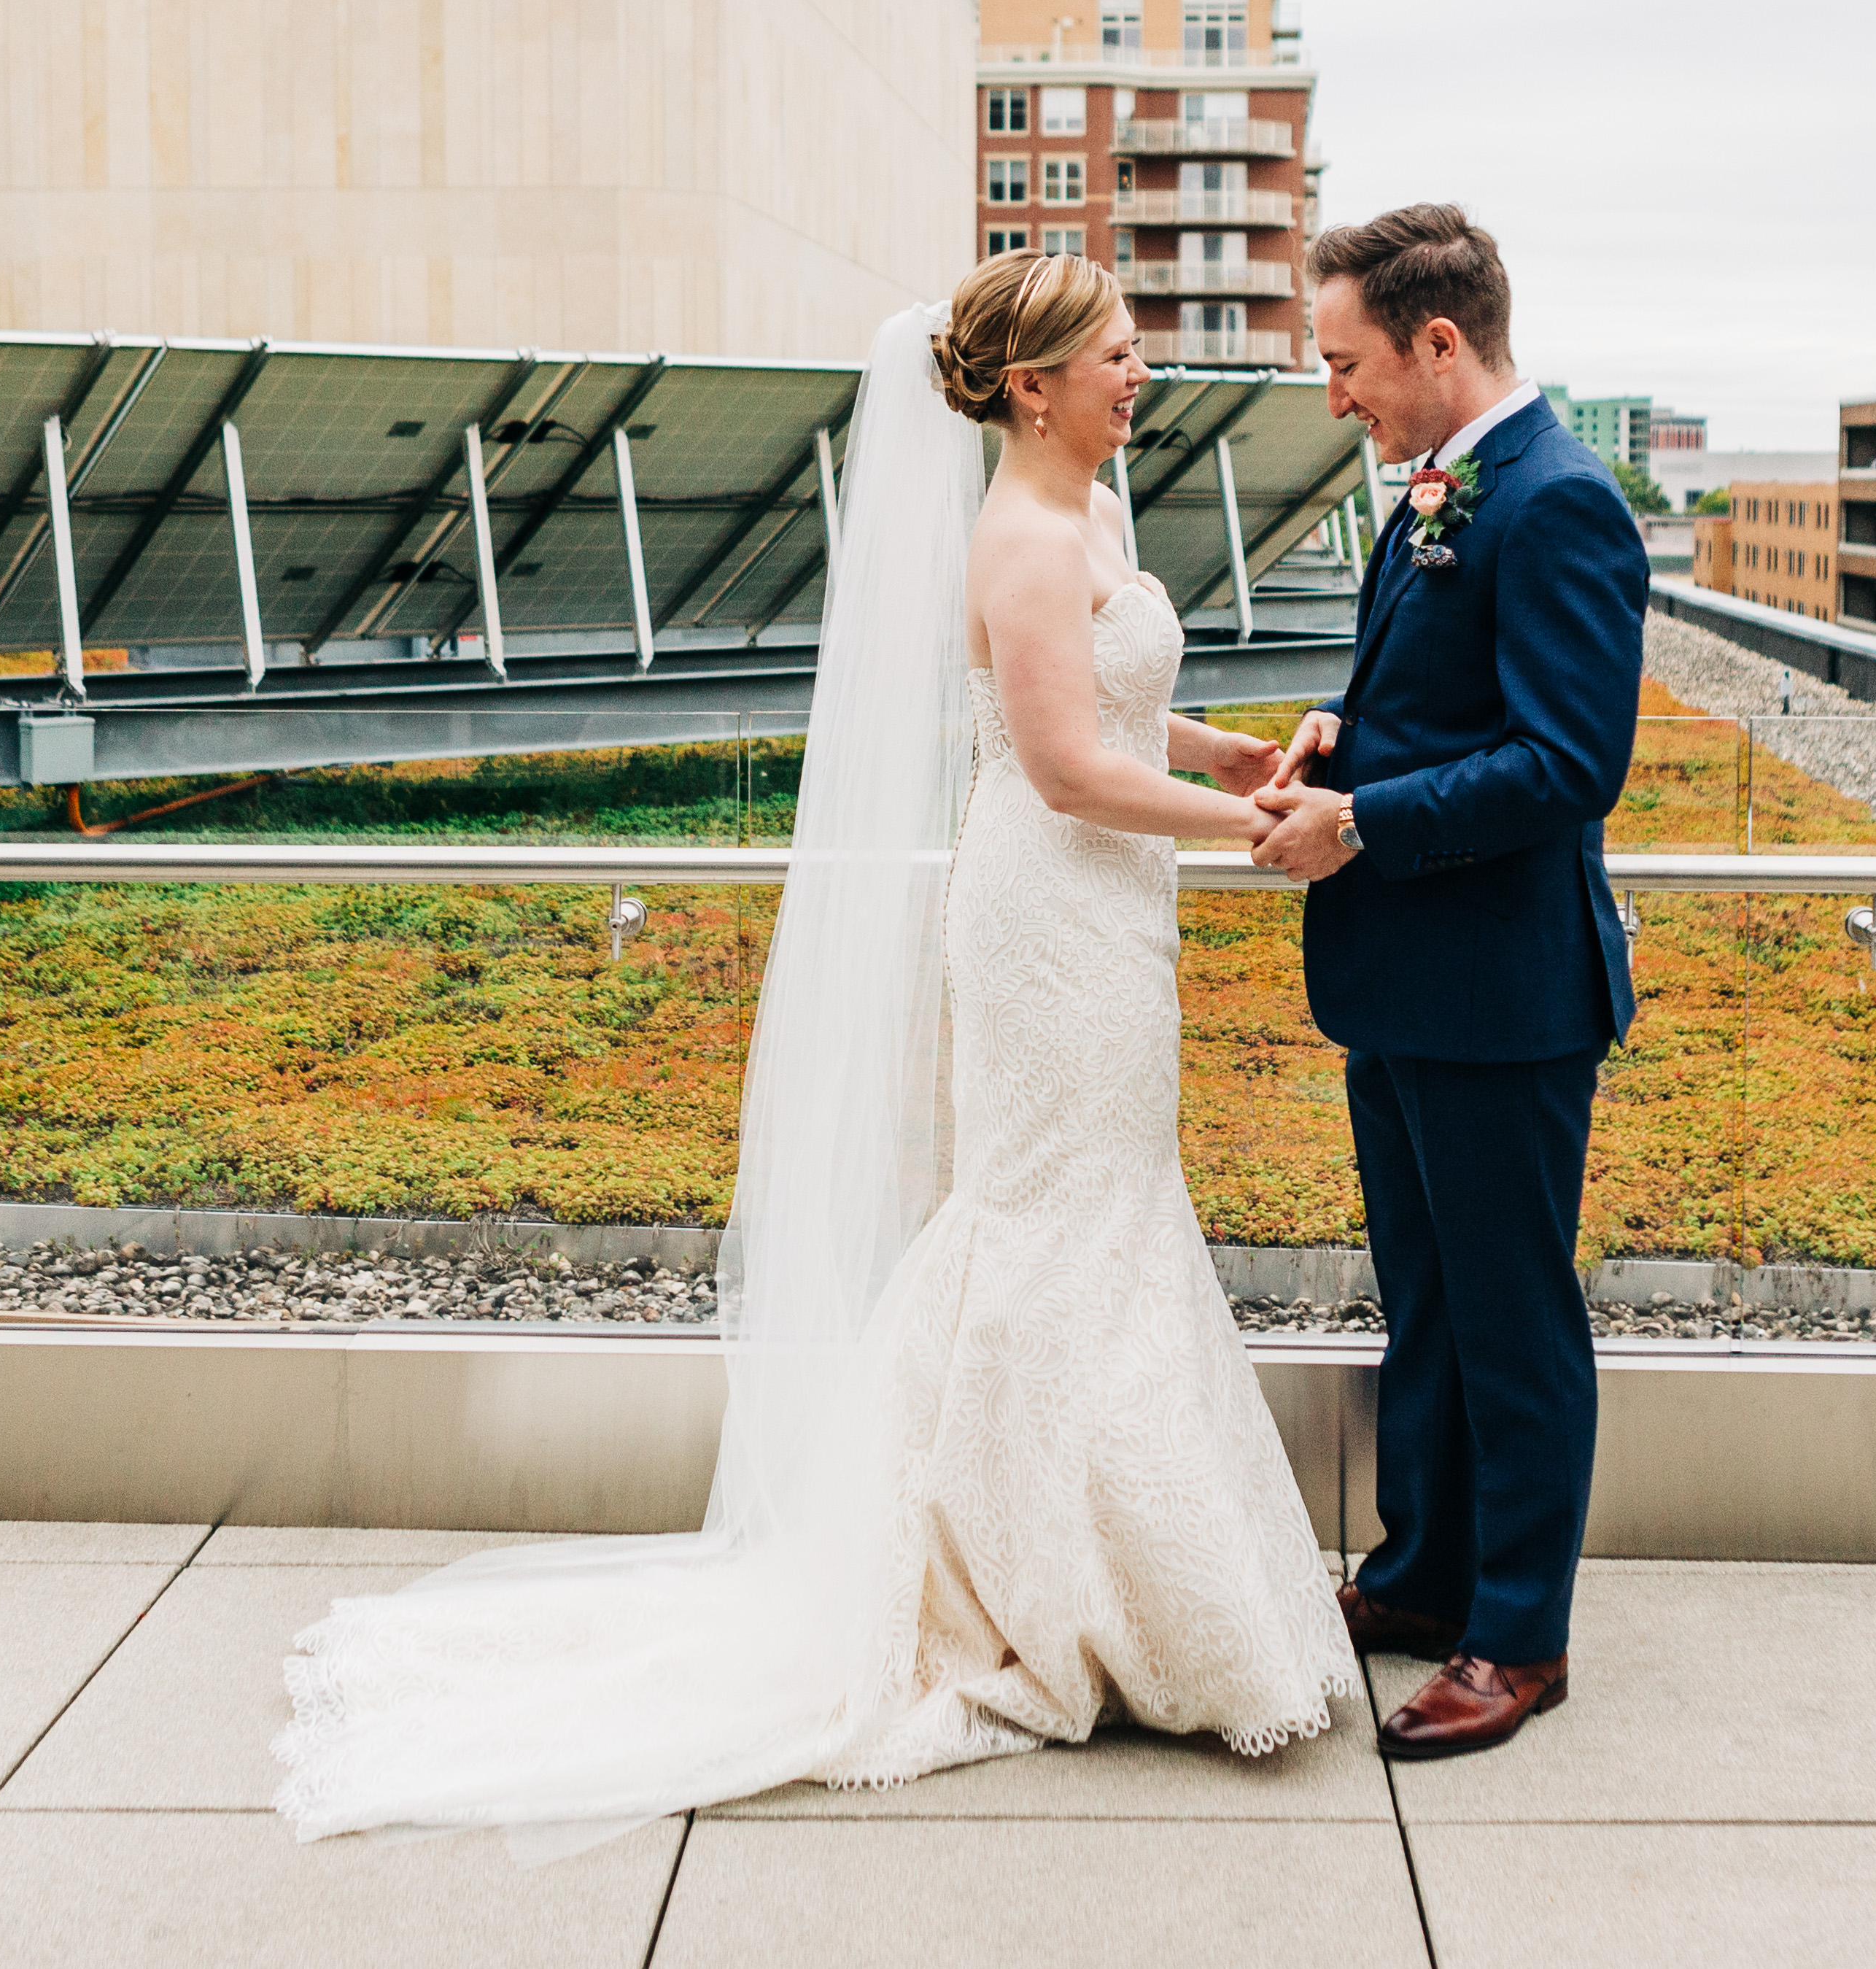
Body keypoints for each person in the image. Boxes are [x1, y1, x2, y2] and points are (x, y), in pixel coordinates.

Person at [273, 254, 1354, 1853]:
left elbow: (1112, 702)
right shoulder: (1019, 533)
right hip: (1048, 912)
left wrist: (1225, 752)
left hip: (1116, 919)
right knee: (1048, 1217)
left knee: (1107, 1209)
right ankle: (1044, 1577)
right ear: (1036, 386)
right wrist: (1257, 825)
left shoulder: (1097, 520)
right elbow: (1058, 765)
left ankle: (1076, 1562)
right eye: (1119, 359)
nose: (1145, 380)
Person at [1247, 202, 1646, 1761]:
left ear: (1436, 342)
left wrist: (1366, 822)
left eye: (1347, 363)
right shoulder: (1441, 487)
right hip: (1408, 980)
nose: (1334, 394)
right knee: (1427, 1299)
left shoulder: (1557, 502)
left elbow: (1567, 764)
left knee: (1512, 1316)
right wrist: (1342, 742)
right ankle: (1423, 1572)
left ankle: (1520, 1634)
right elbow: (1451, 703)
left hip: (1504, 995)